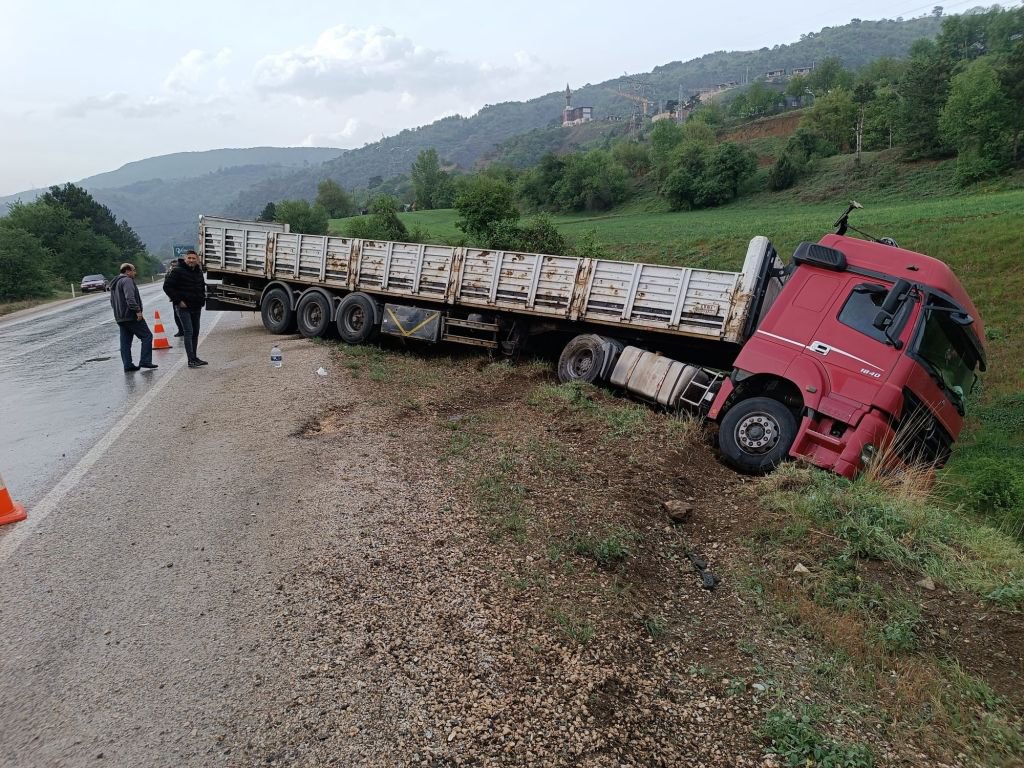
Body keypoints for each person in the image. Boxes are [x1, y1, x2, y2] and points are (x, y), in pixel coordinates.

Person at [163, 249, 208, 368]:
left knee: (195, 332)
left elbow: (201, 287)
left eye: (194, 258)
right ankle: (191, 359)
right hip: (184, 307)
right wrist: (178, 301)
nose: (191, 260)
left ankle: (194, 357)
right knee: (189, 331)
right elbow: (167, 287)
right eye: (189, 258)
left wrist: (202, 300)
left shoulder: (198, 271)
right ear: (185, 259)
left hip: (196, 306)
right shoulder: (177, 271)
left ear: (197, 260)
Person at [109, 263, 158, 373]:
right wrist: (137, 311)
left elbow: (112, 302)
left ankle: (127, 364)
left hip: (120, 317)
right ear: (127, 271)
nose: (135, 273)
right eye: (133, 270)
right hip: (131, 316)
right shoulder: (127, 281)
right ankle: (145, 361)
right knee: (147, 336)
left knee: (125, 342)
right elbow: (130, 298)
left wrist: (118, 313)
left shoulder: (115, 283)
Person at [166, 258, 185, 337]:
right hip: (174, 298)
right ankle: (181, 330)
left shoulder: (182, 272)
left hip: (183, 297)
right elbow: (167, 286)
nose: (174, 267)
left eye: (175, 265)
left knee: (183, 316)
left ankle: (186, 330)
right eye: (172, 266)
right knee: (177, 316)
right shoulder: (169, 274)